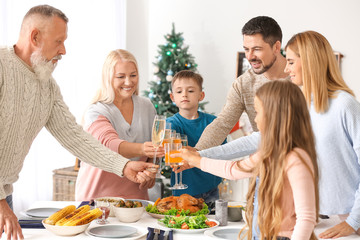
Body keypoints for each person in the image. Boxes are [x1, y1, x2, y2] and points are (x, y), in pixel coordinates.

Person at [0, 5, 155, 240]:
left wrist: (123, 167)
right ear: (35, 37)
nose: (63, 50)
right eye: (58, 41)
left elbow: (76, 138)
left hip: (4, 193)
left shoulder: (47, 86)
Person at [176, 80, 319, 240]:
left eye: (258, 113)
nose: (256, 120)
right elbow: (233, 170)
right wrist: (197, 159)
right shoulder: (269, 152)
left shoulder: (296, 158)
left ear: (274, 115)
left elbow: (306, 218)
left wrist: (196, 159)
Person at [284, 31, 360, 238]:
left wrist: (353, 222)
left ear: (308, 62)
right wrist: (202, 155)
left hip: (348, 220)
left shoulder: (345, 105)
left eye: (291, 62)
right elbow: (262, 140)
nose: (286, 68)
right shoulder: (300, 106)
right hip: (311, 218)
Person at [76, 49, 162, 201]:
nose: (128, 82)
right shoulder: (96, 110)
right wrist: (142, 148)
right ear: (108, 79)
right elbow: (109, 145)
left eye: (133, 75)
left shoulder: (146, 106)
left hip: (135, 199)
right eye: (121, 77)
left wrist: (149, 173)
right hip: (97, 199)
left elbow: (154, 150)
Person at [195, 16, 290, 151]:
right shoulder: (243, 83)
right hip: (264, 164)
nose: (250, 56)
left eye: (257, 49)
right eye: (246, 49)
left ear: (276, 47)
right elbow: (222, 124)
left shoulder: (302, 78)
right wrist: (197, 152)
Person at [166, 70, 224, 209]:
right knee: (186, 224)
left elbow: (223, 151)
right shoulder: (171, 124)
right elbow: (172, 153)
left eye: (190, 90)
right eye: (179, 92)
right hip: (185, 190)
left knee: (212, 222)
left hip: (211, 187)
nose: (184, 94)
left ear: (201, 95)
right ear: (172, 97)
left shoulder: (213, 122)